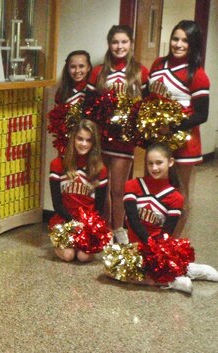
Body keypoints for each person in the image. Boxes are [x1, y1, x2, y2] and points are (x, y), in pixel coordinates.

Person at [121, 143, 218, 294]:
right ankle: (172, 277)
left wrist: (155, 252)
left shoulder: (175, 197)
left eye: (159, 163)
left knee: (142, 272)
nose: (154, 168)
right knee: (115, 271)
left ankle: (185, 270)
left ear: (170, 162)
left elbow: (167, 232)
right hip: (137, 246)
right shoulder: (132, 185)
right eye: (150, 163)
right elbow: (133, 221)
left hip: (158, 247)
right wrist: (148, 245)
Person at [86, 25, 148, 245]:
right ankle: (101, 228)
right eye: (115, 42)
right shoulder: (98, 72)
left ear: (131, 43)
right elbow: (88, 105)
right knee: (100, 185)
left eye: (124, 42)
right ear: (109, 44)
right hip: (101, 138)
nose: (119, 46)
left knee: (118, 187)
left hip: (124, 141)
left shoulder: (140, 71)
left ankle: (118, 229)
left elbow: (146, 107)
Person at [148, 20, 210, 236]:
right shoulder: (158, 64)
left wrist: (172, 126)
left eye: (185, 40)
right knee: (157, 188)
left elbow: (202, 114)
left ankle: (173, 245)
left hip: (184, 143)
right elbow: (150, 98)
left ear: (193, 44)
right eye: (176, 38)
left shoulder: (197, 74)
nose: (179, 44)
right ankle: (156, 237)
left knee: (180, 194)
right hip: (158, 140)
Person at [49, 119, 108, 262]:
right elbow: (57, 204)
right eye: (80, 139)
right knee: (68, 256)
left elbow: (99, 207)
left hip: (87, 224)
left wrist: (88, 226)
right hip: (65, 220)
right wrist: (73, 223)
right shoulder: (58, 164)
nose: (84, 144)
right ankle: (61, 243)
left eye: (88, 140)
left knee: (83, 257)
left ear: (94, 144)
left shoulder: (100, 169)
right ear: (73, 138)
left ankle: (77, 245)